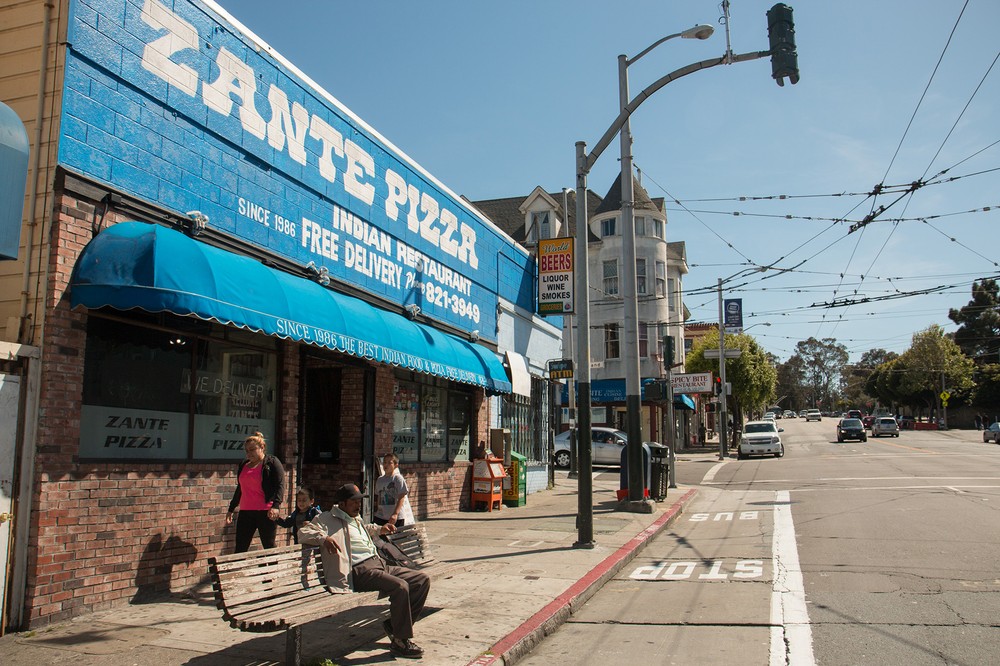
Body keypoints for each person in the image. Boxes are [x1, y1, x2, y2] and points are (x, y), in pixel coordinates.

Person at [299, 483, 429, 659]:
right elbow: (304, 532)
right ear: (342, 504)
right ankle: (401, 641)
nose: (358, 505)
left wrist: (379, 529)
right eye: (354, 501)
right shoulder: (326, 519)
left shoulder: (355, 518)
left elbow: (363, 530)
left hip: (379, 563)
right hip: (358, 570)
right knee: (400, 587)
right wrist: (324, 538)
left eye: (359, 501)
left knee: (421, 580)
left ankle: (394, 626)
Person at [226, 432, 285, 553]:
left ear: (262, 447)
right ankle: (238, 571)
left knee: (269, 546)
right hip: (246, 511)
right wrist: (231, 508)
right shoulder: (244, 465)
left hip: (266, 511)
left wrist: (276, 506)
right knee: (240, 547)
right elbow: (240, 488)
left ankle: (273, 570)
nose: (249, 453)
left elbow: (280, 485)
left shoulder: (272, 463)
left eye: (252, 449)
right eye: (247, 450)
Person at [374, 453, 415, 528]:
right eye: (385, 462)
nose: (386, 465)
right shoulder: (380, 479)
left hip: (395, 517)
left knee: (395, 537)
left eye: (390, 463)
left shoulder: (397, 478)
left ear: (396, 465)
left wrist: (395, 513)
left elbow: (401, 497)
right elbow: (378, 496)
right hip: (381, 516)